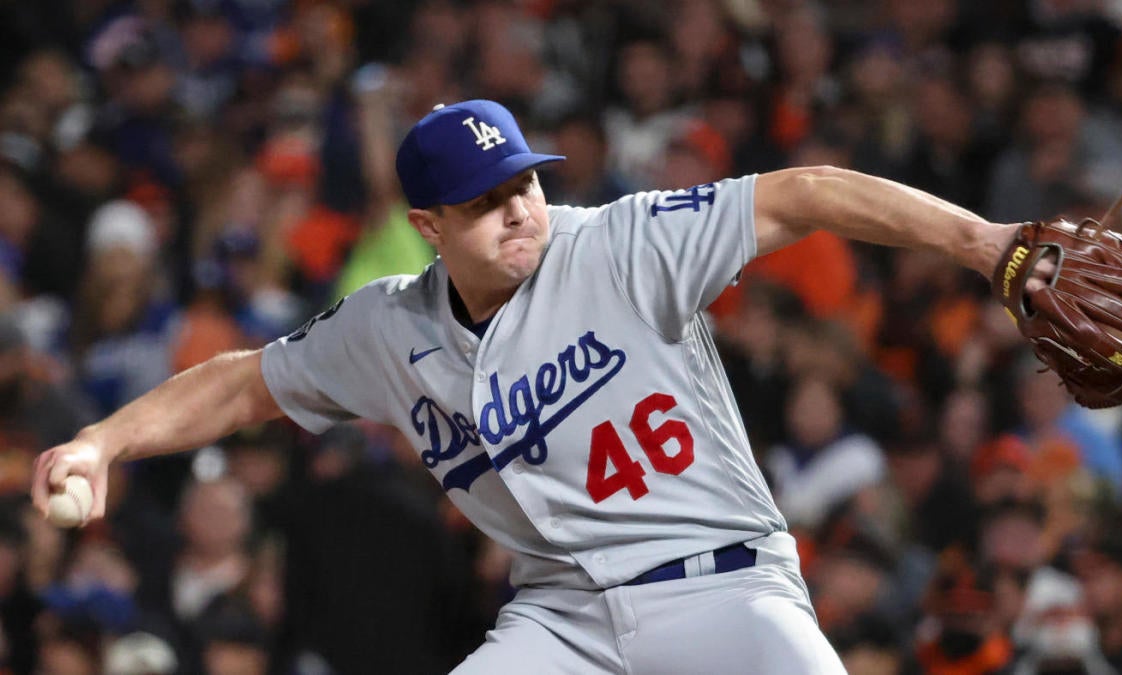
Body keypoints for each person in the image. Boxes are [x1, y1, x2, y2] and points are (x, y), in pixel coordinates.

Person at [32, 99, 1029, 673]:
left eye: (526, 183)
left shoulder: (624, 244)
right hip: (563, 622)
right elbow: (243, 385)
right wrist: (104, 441)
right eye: (485, 202)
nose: (519, 210)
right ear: (428, 226)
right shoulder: (390, 324)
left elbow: (807, 192)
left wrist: (981, 243)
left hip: (722, 586)